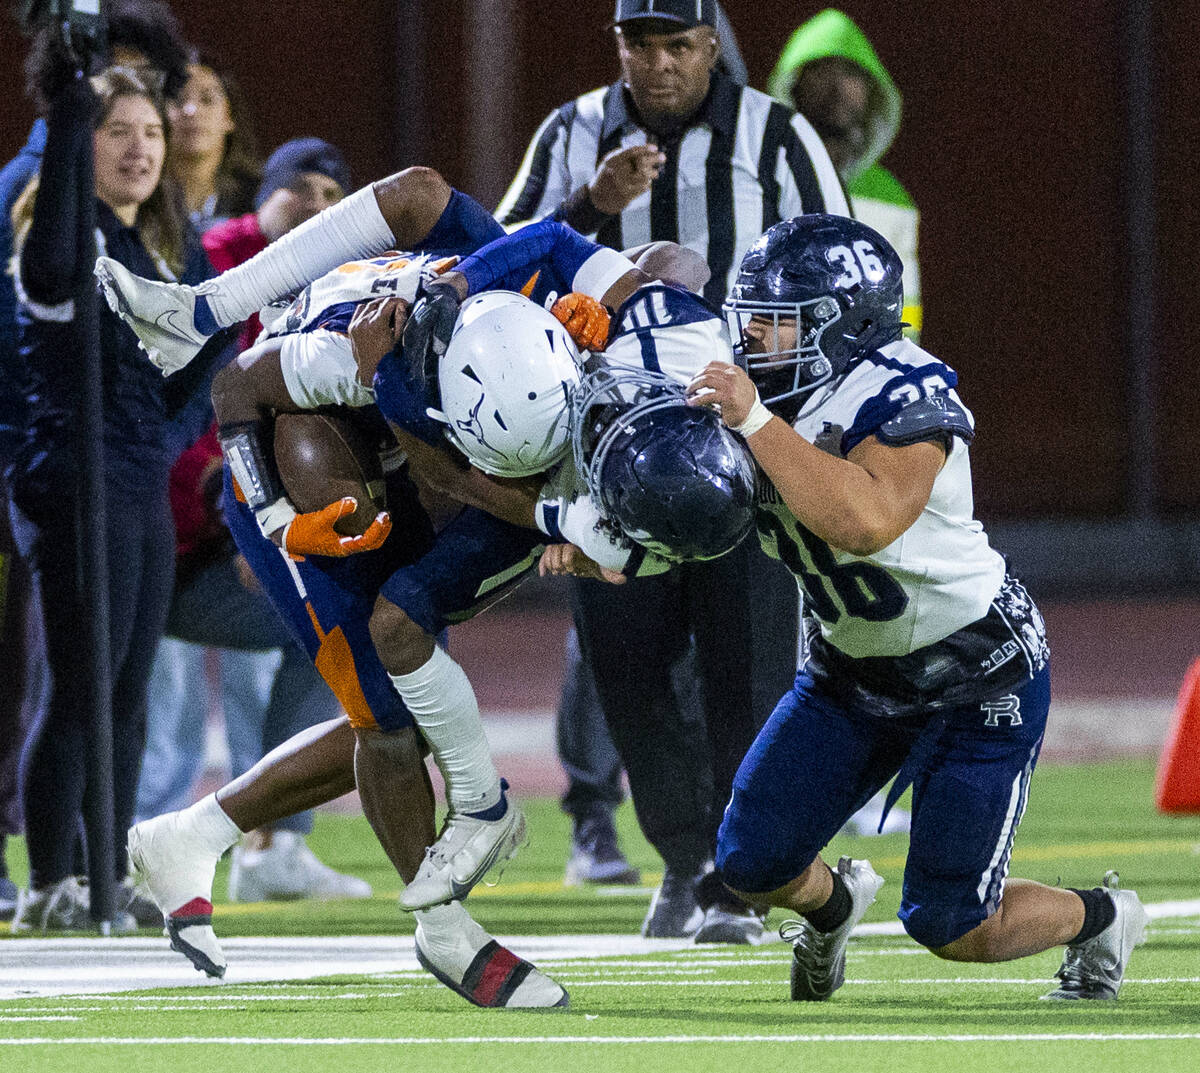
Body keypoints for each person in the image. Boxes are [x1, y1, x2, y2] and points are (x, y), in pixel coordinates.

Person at [680, 213, 1147, 1002]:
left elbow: (864, 521)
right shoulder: (749, 389)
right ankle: (833, 909)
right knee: (751, 860)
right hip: (851, 671)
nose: (754, 335)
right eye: (751, 314)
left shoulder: (905, 388)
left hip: (976, 673)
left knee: (953, 922)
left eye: (779, 319)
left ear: (845, 324)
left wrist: (756, 421)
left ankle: (1100, 916)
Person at [494, 0, 849, 942]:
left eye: (679, 45)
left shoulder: (779, 137)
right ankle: (686, 858)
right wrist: (589, 209)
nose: (658, 65)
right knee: (629, 667)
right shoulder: (570, 132)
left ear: (712, 47)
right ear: (618, 47)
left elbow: (842, 277)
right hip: (605, 454)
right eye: (639, 44)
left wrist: (811, 435)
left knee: (747, 668)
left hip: (741, 452)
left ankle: (735, 877)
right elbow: (487, 269)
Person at [7, 56, 231, 933]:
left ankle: (106, 873)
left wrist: (215, 341)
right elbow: (59, 272)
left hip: (134, 481)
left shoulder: (150, 246)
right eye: (117, 131)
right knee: (79, 685)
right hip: (73, 480)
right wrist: (65, 117)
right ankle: (47, 881)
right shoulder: (61, 236)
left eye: (151, 132)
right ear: (82, 146)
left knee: (129, 692)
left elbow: (165, 401)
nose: (140, 148)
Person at [136, 137, 363, 902]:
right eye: (302, 188)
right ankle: (82, 860)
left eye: (335, 198)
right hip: (144, 536)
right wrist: (246, 512)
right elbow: (181, 417)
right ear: (262, 194)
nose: (318, 208)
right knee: (101, 696)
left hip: (208, 552)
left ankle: (268, 839)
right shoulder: (209, 268)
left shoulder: (335, 294)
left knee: (338, 624)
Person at [768, 7, 921, 341]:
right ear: (794, 84)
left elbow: (906, 303)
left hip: (865, 369)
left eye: (852, 73)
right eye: (822, 70)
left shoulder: (891, 195)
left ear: (871, 91)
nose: (837, 86)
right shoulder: (765, 174)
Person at [166, 52, 261, 233]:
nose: (191, 110)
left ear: (229, 116)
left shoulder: (258, 198)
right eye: (178, 100)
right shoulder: (141, 198)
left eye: (207, 100)